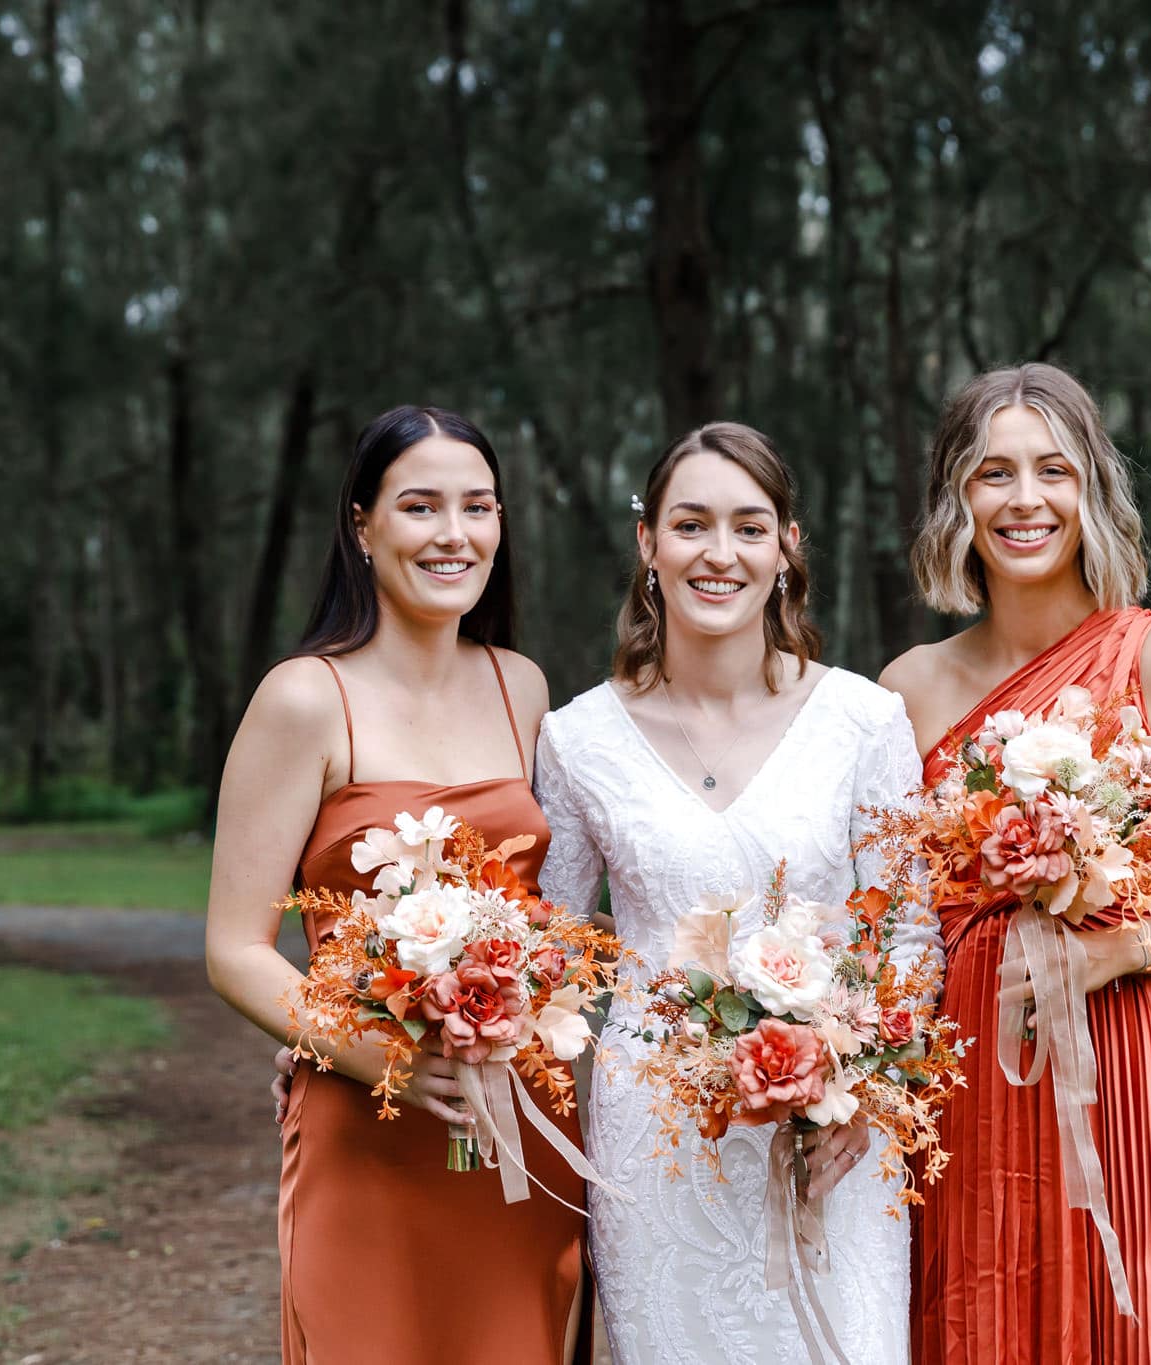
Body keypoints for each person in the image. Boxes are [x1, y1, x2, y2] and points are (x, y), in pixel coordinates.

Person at [880, 364, 1151, 1365]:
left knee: (1132, 1320)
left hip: (1130, 1062)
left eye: (1052, 471)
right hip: (967, 1076)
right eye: (992, 474)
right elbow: (885, 913)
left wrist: (1115, 953)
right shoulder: (905, 688)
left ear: (1093, 492)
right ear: (955, 499)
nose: (1024, 501)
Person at [536, 421, 932, 1365]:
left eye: (750, 527)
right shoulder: (577, 738)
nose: (720, 554)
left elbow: (912, 932)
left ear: (787, 547)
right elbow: (548, 955)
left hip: (832, 1141)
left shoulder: (864, 722)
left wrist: (862, 1093)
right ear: (649, 545)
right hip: (656, 1145)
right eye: (691, 525)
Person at [207, 405, 585, 1364]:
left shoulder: (522, 685)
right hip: (367, 1124)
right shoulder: (303, 697)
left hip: (518, 1119)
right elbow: (234, 950)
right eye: (421, 506)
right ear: (362, 525)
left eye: (479, 506)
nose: (454, 534)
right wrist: (390, 1061)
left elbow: (551, 909)